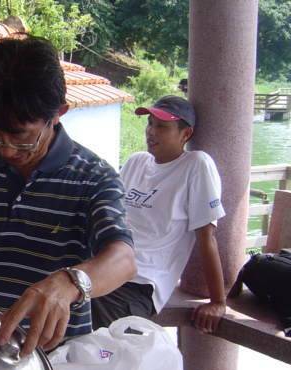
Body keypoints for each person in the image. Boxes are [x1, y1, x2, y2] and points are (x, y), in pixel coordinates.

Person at [0, 37, 137, 358]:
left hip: (59, 361)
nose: (5, 149)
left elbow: (123, 259)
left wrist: (71, 282)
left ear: (58, 113)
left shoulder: (93, 177)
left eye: (20, 136)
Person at [91, 95, 226, 333]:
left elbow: (207, 238)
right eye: (150, 124)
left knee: (92, 348)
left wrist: (217, 302)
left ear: (186, 134)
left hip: (138, 284)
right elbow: (108, 217)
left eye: (162, 127)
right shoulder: (136, 162)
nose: (151, 132)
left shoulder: (196, 165)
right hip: (100, 266)